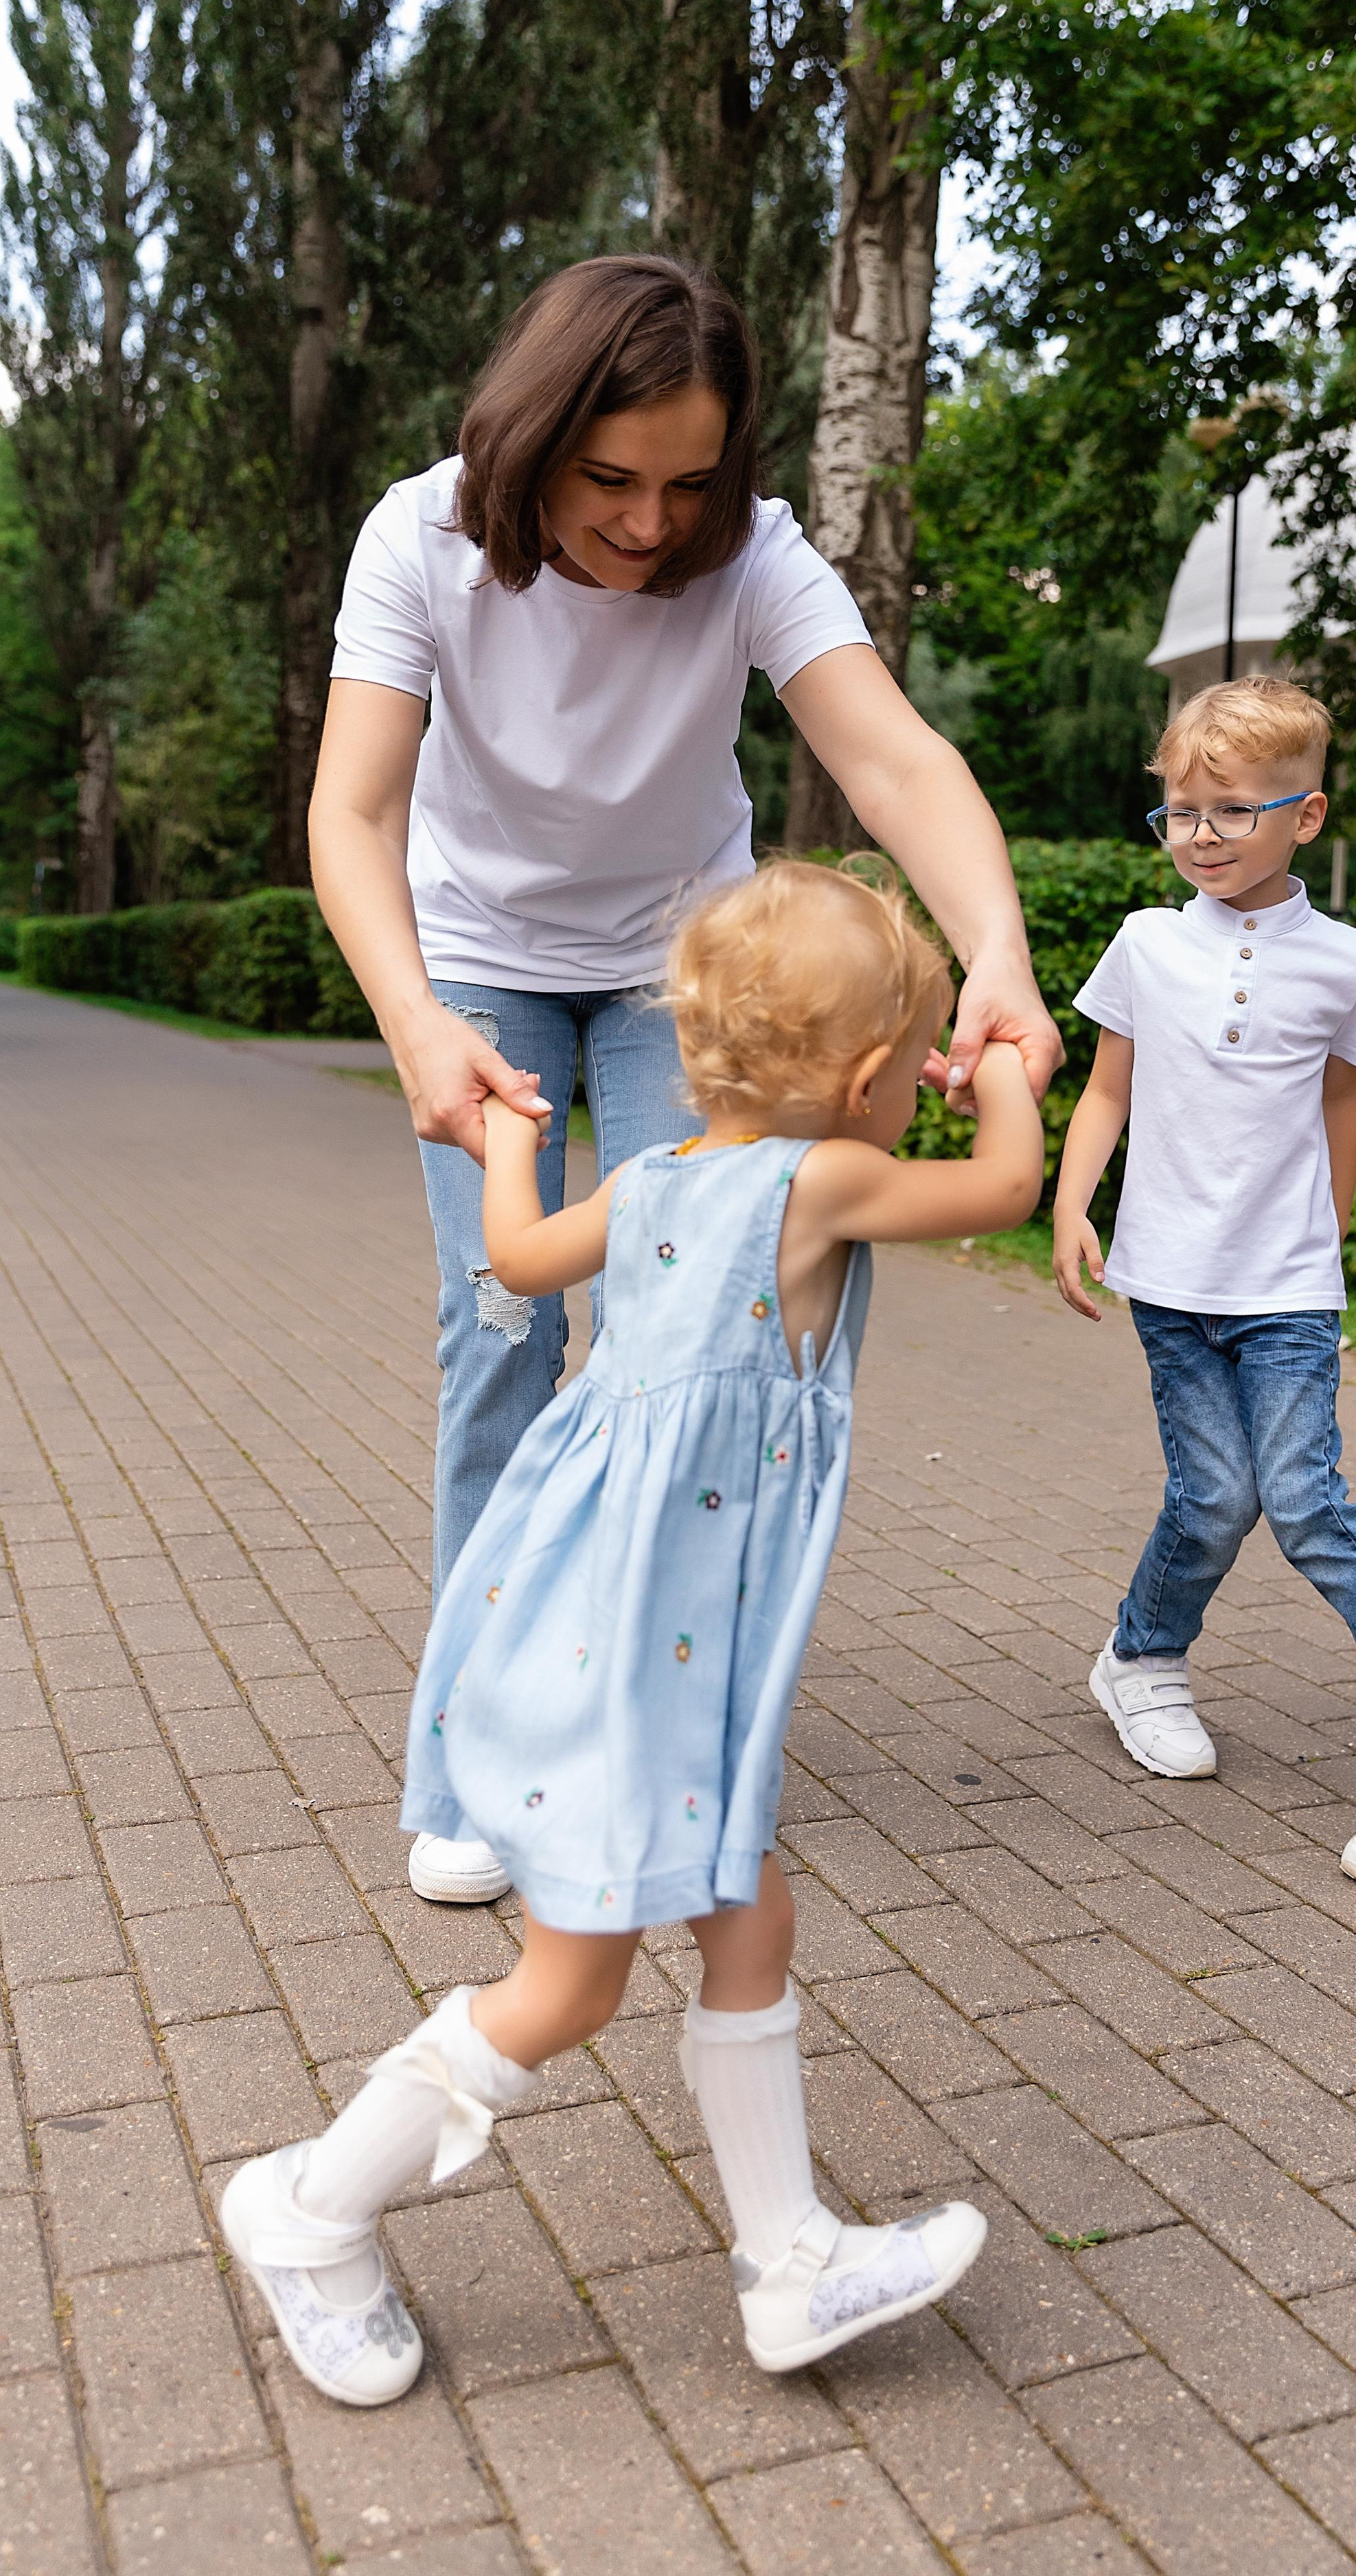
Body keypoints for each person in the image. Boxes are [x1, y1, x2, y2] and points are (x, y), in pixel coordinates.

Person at [222, 861, 1045, 2406]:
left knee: (747, 1920)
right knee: (571, 1988)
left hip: (609, 1635)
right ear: (871, 1076)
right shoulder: (820, 1183)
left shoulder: (657, 1176)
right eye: (913, 1066)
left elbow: (520, 1262)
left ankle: (788, 2258)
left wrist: (510, 1143)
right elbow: (1004, 1188)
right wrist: (1004, 1067)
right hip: (642, 1671)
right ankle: (311, 2212)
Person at [309, 253, 1059, 1908]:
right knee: (503, 1332)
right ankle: (480, 1744)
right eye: (608, 480)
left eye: (688, 484)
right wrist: (416, 1023)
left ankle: (676, 1706)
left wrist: (995, 950)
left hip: (689, 972)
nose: (650, 524)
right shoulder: (419, 537)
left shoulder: (756, 554)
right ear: (531, 438)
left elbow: (891, 758)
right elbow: (353, 809)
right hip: (477, 960)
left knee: (724, 1327)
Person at [1051, 675, 1356, 1895]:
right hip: (1169, 1281)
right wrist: (1070, 1202)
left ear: (1305, 816)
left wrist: (1330, 1235)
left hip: (1289, 1291)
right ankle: (1141, 1659)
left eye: (1232, 811)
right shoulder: (1148, 943)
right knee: (1213, 1497)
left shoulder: (1345, 960)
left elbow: (1342, 1096)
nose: (1201, 834)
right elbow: (1107, 1089)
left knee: (1304, 1501)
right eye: (1181, 812)